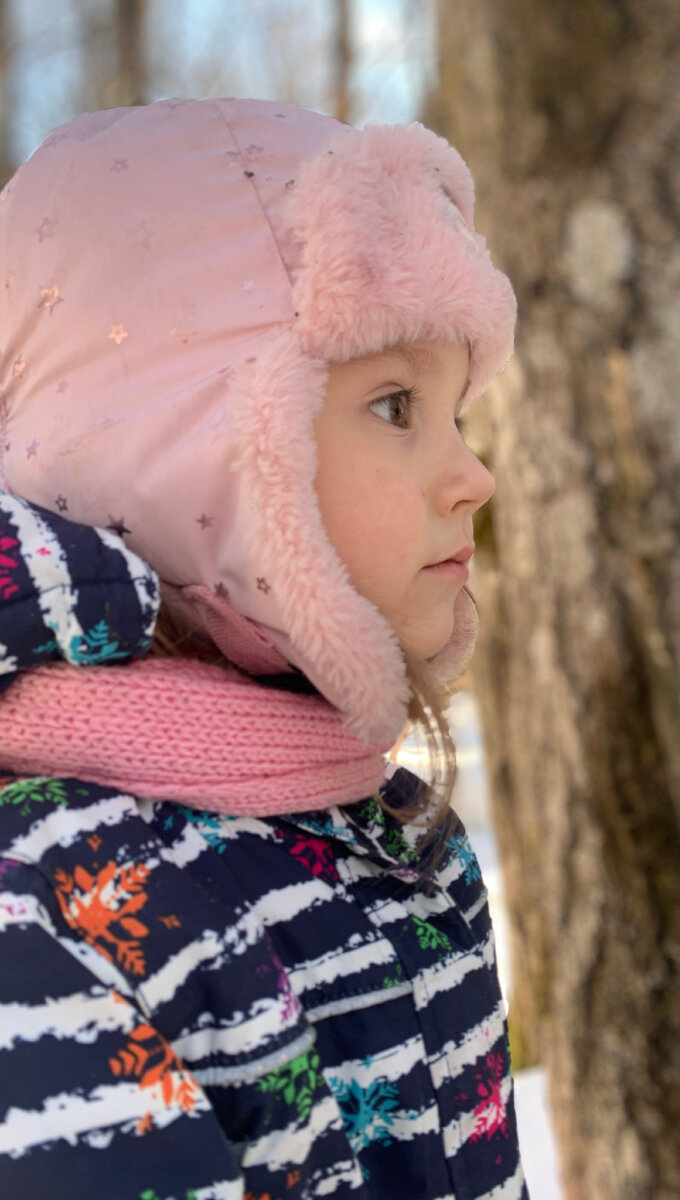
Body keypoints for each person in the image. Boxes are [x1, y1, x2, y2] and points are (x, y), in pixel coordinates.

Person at [0, 99, 525, 1199]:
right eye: (394, 406)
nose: (471, 474)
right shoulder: (58, 901)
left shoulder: (398, 840)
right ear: (195, 465)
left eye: (455, 408)